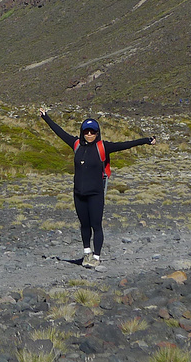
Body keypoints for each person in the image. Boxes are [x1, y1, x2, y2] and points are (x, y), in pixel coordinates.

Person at [40, 108, 156, 268]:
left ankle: (96, 256)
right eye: (86, 131)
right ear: (82, 132)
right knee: (84, 224)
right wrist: (45, 117)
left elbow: (126, 144)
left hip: (95, 194)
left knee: (96, 225)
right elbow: (60, 132)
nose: (89, 134)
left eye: (92, 132)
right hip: (78, 194)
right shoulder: (76, 145)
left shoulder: (103, 147)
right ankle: (86, 253)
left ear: (97, 133)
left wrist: (146, 140)